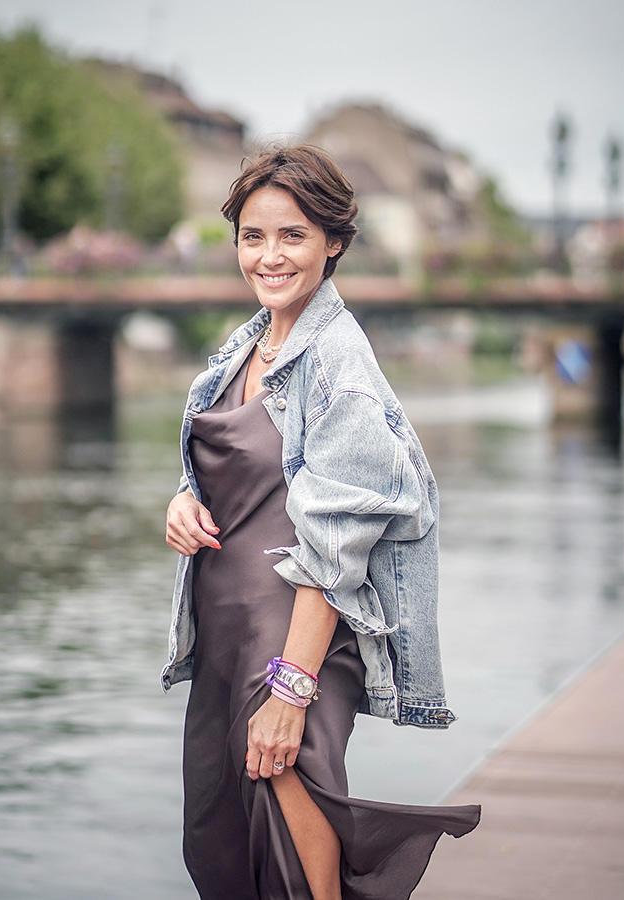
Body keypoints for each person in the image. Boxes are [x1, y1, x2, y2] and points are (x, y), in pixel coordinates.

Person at [163, 145, 480, 900]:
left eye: (293, 235)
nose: (269, 256)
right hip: (226, 633)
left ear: (334, 241)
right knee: (220, 839)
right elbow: (233, 468)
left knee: (291, 821)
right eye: (252, 236)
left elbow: (336, 549)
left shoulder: (339, 363)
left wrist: (292, 688)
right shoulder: (245, 346)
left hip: (289, 637)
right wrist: (182, 500)